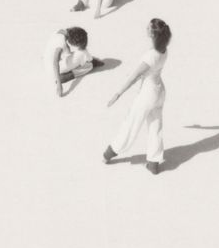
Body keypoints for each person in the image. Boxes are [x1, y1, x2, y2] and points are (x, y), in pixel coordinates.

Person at [103, 18, 171, 174]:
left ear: (153, 34)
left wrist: (118, 94)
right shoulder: (164, 50)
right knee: (156, 127)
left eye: (148, 28)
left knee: (131, 124)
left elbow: (134, 77)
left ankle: (110, 152)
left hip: (148, 94)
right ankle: (153, 163)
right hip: (160, 91)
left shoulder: (151, 55)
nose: (145, 29)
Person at [48, 26, 103, 97]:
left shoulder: (61, 32)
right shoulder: (61, 44)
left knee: (77, 54)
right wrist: (59, 84)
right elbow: (55, 62)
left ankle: (86, 60)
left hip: (47, 63)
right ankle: (68, 75)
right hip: (53, 70)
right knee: (87, 62)